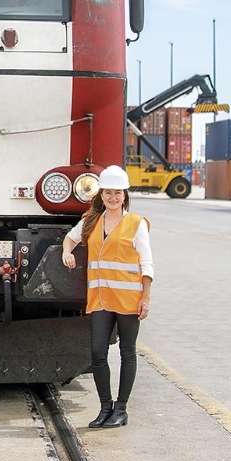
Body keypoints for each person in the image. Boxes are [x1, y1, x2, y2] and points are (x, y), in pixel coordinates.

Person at [61, 165, 153, 428]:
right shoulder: (92, 221)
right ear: (101, 195)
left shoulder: (136, 224)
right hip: (100, 299)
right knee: (98, 352)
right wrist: (67, 252)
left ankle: (121, 410)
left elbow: (147, 263)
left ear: (125, 195)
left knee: (127, 352)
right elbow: (70, 238)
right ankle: (105, 408)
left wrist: (146, 297)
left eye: (118, 193)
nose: (113, 197)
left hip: (128, 300)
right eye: (108, 192)